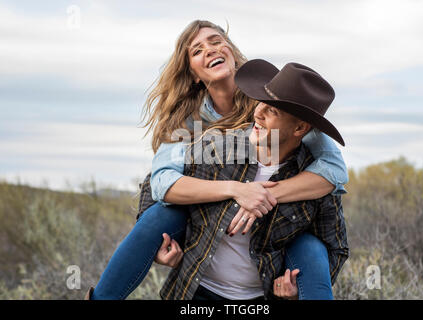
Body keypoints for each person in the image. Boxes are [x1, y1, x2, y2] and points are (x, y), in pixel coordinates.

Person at [86, 20, 348, 300]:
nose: (210, 50)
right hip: (205, 241)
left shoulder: (281, 102)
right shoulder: (189, 124)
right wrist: (236, 191)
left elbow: (333, 169)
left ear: (231, 51)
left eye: (215, 41)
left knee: (309, 245)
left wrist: (266, 195)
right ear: (193, 74)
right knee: (162, 215)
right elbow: (159, 183)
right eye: (197, 50)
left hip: (264, 263)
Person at [156, 58, 349, 300]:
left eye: (272, 110)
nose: (257, 113)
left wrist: (301, 288)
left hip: (260, 299)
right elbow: (154, 187)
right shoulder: (219, 147)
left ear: (299, 129)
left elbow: (336, 248)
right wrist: (158, 246)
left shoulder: (315, 181)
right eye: (260, 103)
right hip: (195, 292)